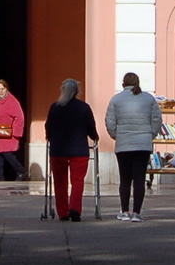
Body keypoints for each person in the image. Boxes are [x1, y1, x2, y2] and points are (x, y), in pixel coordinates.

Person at [106, 71, 163, 220]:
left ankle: (124, 211)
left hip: (123, 144)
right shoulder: (149, 99)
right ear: (138, 82)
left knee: (125, 179)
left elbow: (110, 121)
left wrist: (116, 135)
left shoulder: (116, 100)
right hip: (143, 144)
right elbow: (157, 119)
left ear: (123, 84)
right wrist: (150, 134)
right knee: (139, 179)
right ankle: (137, 213)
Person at [45, 78, 98, 221]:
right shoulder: (83, 107)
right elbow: (90, 127)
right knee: (78, 181)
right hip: (79, 150)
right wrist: (95, 137)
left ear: (62, 90)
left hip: (58, 150)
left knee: (60, 182)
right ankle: (75, 209)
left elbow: (48, 126)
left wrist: (49, 137)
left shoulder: (55, 107)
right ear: (77, 92)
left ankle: (62, 212)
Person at [0, 79, 27, 183]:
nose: (0, 91)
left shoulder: (12, 101)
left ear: (6, 89)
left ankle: (21, 171)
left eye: (2, 89)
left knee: (8, 154)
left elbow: (20, 117)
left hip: (8, 134)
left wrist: (15, 132)